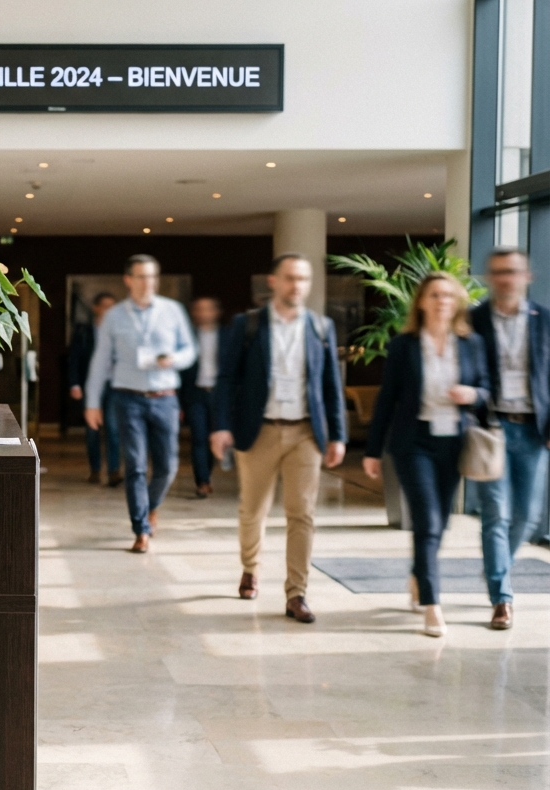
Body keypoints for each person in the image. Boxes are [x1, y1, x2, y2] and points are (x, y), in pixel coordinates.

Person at [211, 254, 347, 623]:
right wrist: (221, 425)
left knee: (302, 514)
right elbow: (226, 379)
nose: (296, 286)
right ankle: (251, 567)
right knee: (252, 509)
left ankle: (296, 593)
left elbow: (331, 385)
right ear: (273, 281)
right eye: (289, 278)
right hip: (259, 430)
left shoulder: (321, 327)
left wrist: (338, 434)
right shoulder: (249, 325)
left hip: (306, 431)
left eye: (303, 279)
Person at [363, 272, 490, 637]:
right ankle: (432, 605)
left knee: (440, 522)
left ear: (457, 303)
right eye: (434, 295)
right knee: (427, 520)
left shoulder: (470, 344)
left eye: (448, 295)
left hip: (453, 441)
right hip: (413, 441)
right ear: (421, 301)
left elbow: (485, 389)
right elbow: (387, 399)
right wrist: (373, 451)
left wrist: (472, 394)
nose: (442, 302)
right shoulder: (404, 345)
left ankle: (420, 573)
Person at [85, 254, 196, 552]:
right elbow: (100, 361)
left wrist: (174, 359)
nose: (149, 283)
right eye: (142, 277)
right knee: (134, 465)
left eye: (153, 277)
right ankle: (141, 529)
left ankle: (151, 506)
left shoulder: (172, 311)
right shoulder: (115, 316)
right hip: (127, 398)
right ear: (128, 280)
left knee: (167, 467)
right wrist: (92, 402)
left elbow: (190, 351)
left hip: (165, 399)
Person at [470, 248, 550, 630]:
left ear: (526, 276)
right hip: (491, 429)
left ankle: (496, 567)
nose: (505, 278)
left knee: (527, 516)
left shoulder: (545, 320)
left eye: (512, 272)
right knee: (495, 514)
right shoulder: (472, 321)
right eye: (498, 272)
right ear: (490, 277)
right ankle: (502, 597)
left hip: (536, 431)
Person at [68, 292, 122, 485]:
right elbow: (73, 359)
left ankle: (114, 470)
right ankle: (95, 469)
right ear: (96, 308)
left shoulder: (120, 332)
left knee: (113, 428)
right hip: (90, 385)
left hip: (114, 385)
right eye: (105, 306)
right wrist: (74, 384)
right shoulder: (84, 331)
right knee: (92, 430)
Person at [180, 296, 226, 497]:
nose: (203, 313)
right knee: (198, 438)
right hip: (195, 393)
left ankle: (207, 473)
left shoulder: (228, 335)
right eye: (199, 309)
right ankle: (203, 481)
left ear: (216, 312)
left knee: (214, 438)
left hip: (218, 394)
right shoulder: (187, 336)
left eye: (208, 309)